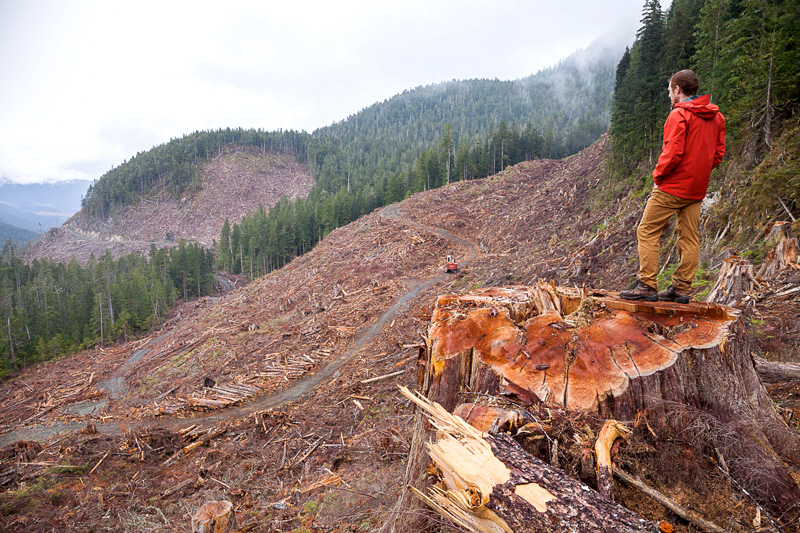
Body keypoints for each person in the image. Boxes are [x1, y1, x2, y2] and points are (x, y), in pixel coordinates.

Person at [620, 69, 726, 303]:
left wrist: (658, 175)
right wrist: (700, 171)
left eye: (670, 90)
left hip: (672, 187)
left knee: (647, 230)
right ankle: (681, 289)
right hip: (697, 189)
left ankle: (647, 285)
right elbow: (718, 154)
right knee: (689, 237)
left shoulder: (679, 115)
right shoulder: (717, 117)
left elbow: (673, 152)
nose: (669, 95)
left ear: (677, 89)